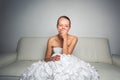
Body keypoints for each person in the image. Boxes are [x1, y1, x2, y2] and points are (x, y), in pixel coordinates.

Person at [20, 16, 99, 80]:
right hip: (55, 62)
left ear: (69, 28)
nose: (63, 28)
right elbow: (46, 58)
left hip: (68, 63)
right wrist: (52, 59)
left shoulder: (74, 38)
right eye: (60, 25)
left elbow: (66, 56)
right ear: (57, 27)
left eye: (66, 26)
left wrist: (64, 38)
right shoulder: (51, 39)